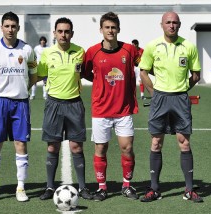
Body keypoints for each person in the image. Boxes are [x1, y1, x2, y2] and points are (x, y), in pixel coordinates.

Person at [139, 11, 203, 203]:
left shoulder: (189, 46)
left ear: (179, 25)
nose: (171, 25)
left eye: (175, 22)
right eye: (168, 22)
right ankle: (155, 189)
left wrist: (182, 90)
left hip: (180, 100)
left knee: (184, 142)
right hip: (159, 99)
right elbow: (143, 72)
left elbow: (196, 75)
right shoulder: (152, 46)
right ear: (162, 25)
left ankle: (189, 190)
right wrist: (154, 93)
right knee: (156, 142)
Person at [0, 11, 37, 202]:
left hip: (20, 103)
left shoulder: (27, 49)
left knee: (20, 144)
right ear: (1, 27)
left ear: (18, 28)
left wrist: (23, 89)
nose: (10, 29)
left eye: (14, 26)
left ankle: (21, 188)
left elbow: (33, 75)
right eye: (7, 26)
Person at [82, 12, 139, 201]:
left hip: (124, 109)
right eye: (107, 27)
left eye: (113, 27)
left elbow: (148, 61)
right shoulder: (92, 52)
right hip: (101, 110)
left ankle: (127, 185)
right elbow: (85, 72)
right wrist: (98, 79)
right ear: (101, 30)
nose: (110, 30)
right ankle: (102, 187)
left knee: (127, 147)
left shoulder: (130, 50)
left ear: (119, 29)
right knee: (101, 149)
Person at [37, 17, 93, 201]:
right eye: (60, 31)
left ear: (72, 33)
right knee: (52, 146)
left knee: (76, 147)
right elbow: (41, 75)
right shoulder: (47, 54)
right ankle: (49, 187)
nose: (63, 34)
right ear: (54, 33)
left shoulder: (80, 52)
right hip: (53, 104)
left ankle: (83, 187)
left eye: (67, 31)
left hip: (74, 103)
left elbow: (89, 73)